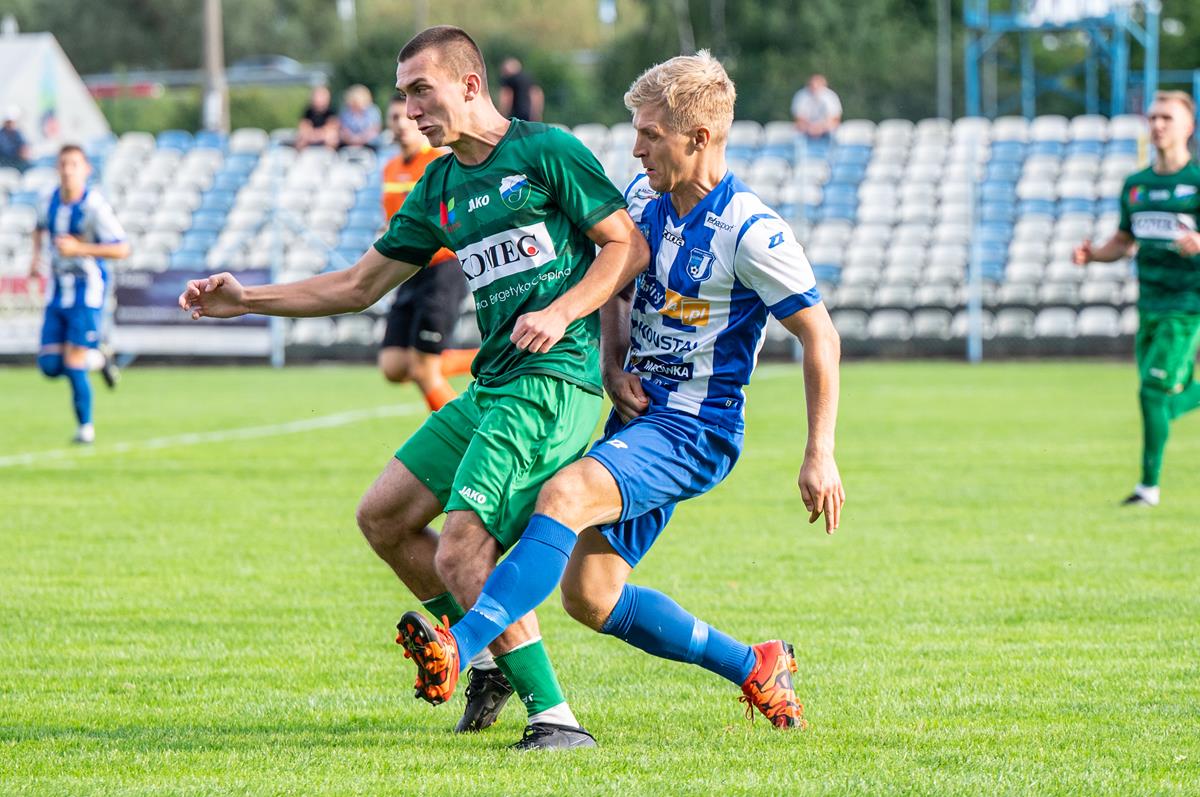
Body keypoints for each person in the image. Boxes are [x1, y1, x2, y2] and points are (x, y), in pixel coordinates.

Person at [178, 25, 649, 750]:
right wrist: (247, 301)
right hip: (495, 387)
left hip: (554, 384)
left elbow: (627, 244)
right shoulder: (438, 186)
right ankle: (487, 661)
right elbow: (359, 285)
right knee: (383, 517)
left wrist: (562, 312)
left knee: (460, 551)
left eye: (421, 92)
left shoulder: (546, 151)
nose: (409, 111)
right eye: (402, 96)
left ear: (470, 84)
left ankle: (556, 719)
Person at [396, 50, 844, 734]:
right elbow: (617, 281)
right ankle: (756, 664)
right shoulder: (642, 200)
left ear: (698, 138)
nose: (636, 149)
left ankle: (462, 644)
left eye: (650, 135)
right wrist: (610, 362)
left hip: (694, 430)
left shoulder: (753, 232)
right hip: (637, 419)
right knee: (591, 595)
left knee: (565, 494)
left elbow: (821, 336)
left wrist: (820, 453)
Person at [1073, 90, 1200, 508]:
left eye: (1167, 118)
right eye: (1153, 118)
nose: (1157, 125)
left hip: (1187, 306)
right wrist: (1094, 255)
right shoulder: (1136, 185)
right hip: (1149, 304)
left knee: (1152, 391)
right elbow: (1124, 241)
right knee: (1165, 392)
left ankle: (1148, 489)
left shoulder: (1197, 182)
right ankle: (1148, 486)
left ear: (1189, 126)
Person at [378, 94, 478, 410]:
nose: (401, 124)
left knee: (423, 369)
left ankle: (464, 434)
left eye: (406, 117)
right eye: (394, 118)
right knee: (394, 366)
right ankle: (485, 357)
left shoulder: (438, 164)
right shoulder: (390, 169)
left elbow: (452, 219)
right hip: (409, 271)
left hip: (441, 270)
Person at [29, 145, 129, 444]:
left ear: (86, 169)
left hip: (87, 291)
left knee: (73, 362)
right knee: (49, 365)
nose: (68, 170)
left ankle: (86, 428)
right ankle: (98, 358)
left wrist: (79, 248)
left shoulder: (94, 206)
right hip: (57, 291)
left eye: (74, 164)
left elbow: (122, 248)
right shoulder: (47, 201)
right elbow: (38, 227)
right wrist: (35, 258)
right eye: (63, 164)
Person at [791, 73, 842, 146]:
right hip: (806, 126)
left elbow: (834, 117)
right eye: (812, 85)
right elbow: (799, 117)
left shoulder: (830, 96)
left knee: (835, 128)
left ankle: (833, 151)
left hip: (826, 125)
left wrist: (820, 127)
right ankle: (799, 152)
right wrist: (810, 127)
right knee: (797, 130)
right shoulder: (801, 96)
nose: (815, 87)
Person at [498, 57, 543, 122]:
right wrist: (536, 113)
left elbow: (507, 96)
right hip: (528, 114)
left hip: (515, 114)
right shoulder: (529, 78)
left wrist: (502, 113)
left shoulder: (509, 80)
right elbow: (537, 94)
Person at [338, 84, 382, 149]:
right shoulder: (346, 112)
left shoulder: (373, 111)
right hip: (349, 144)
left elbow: (374, 130)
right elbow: (343, 130)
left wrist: (360, 139)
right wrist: (353, 139)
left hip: (370, 145)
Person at [296, 86, 339, 150]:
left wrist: (318, 135)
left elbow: (332, 127)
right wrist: (313, 135)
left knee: (332, 137)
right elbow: (304, 126)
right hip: (311, 136)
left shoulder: (331, 111)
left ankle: (329, 154)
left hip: (324, 136)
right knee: (302, 138)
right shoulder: (308, 111)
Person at [0, 106, 31, 171]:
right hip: (5, 164)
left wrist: (25, 151)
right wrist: (19, 152)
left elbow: (25, 146)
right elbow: (7, 150)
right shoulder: (2, 134)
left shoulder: (17, 133)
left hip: (18, 163)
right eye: (9, 122)